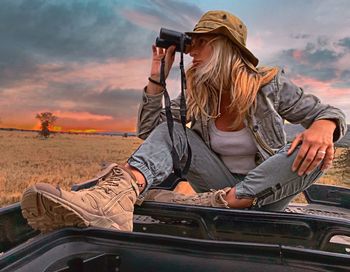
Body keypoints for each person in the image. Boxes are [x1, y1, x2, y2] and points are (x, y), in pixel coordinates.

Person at [21, 10, 347, 233]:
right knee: (173, 129)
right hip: (217, 187)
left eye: (200, 42)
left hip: (266, 192)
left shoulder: (267, 85)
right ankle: (113, 199)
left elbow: (331, 114)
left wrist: (323, 127)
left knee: (319, 151)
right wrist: (156, 76)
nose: (192, 51)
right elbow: (151, 132)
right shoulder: (199, 94)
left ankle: (232, 201)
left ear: (224, 47)